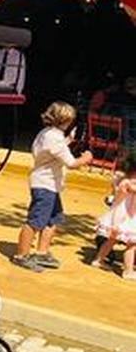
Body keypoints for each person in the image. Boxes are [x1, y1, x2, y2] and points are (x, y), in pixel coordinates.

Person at [15, 101, 93, 272]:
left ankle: (42, 252)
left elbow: (57, 148)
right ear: (66, 120)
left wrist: (69, 140)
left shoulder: (48, 133)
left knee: (53, 219)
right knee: (36, 221)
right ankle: (22, 255)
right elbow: (71, 163)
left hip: (50, 184)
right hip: (45, 184)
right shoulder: (55, 138)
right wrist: (86, 158)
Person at [92, 149, 136, 280]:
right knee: (132, 244)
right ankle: (128, 271)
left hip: (120, 215)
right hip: (125, 217)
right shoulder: (129, 183)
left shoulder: (123, 179)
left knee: (112, 240)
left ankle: (98, 260)